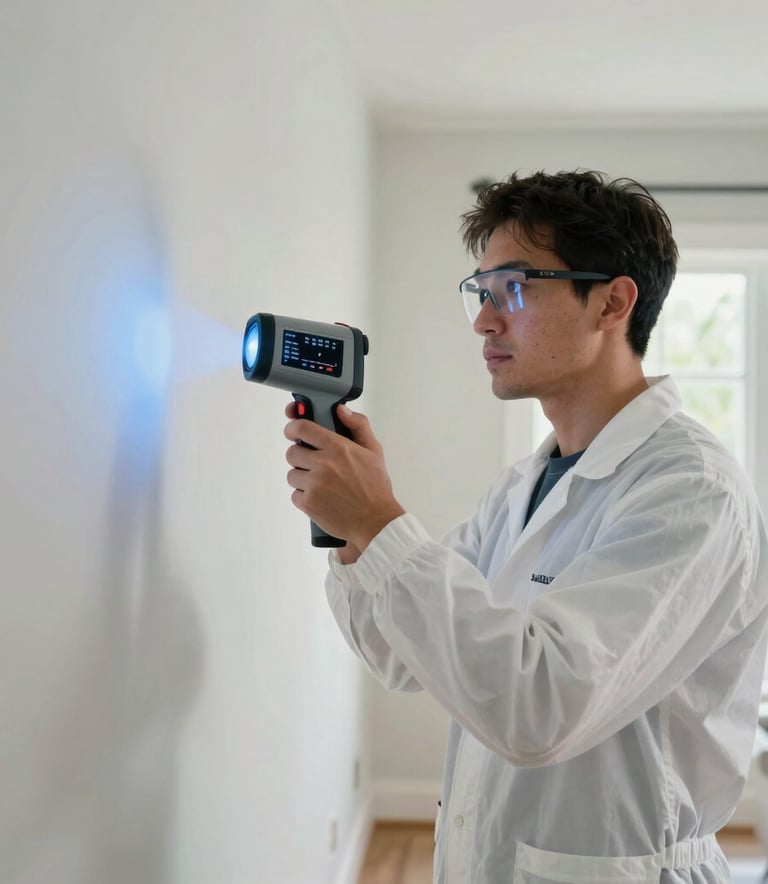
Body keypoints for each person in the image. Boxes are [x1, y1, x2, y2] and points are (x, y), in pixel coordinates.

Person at [283, 169, 768, 883]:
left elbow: (539, 711)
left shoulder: (691, 490)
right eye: (480, 293)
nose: (484, 319)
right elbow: (398, 652)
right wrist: (350, 533)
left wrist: (382, 522)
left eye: (512, 288)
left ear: (611, 301)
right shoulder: (525, 485)